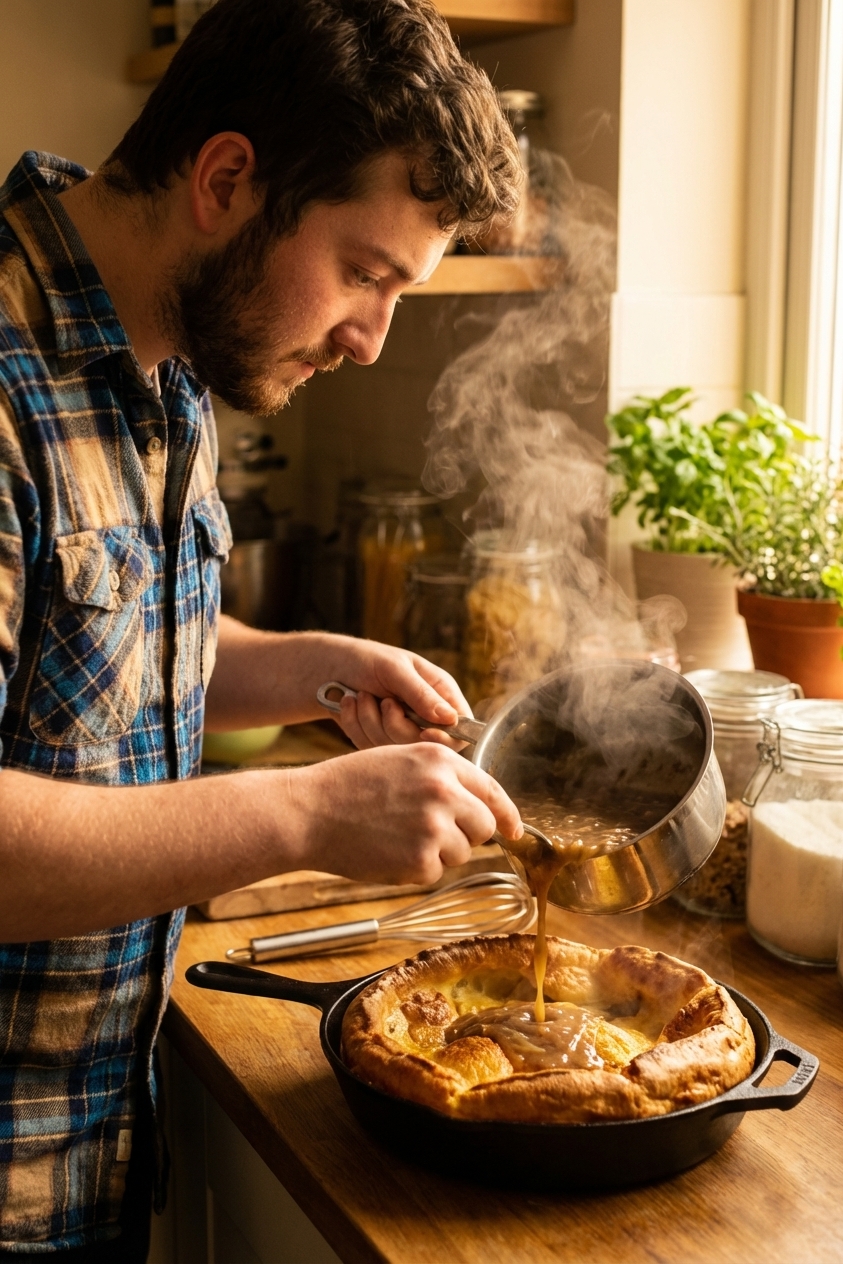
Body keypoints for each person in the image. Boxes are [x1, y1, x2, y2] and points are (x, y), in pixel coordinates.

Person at [0, 0, 524, 1256]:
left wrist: (314, 672)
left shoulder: (176, 339)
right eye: (365, 272)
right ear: (227, 179)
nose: (371, 339)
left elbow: (98, 648)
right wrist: (304, 814)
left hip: (86, 1151)